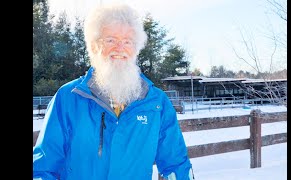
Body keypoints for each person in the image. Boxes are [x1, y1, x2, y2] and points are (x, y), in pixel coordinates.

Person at [33, 3, 194, 180]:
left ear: (136, 48)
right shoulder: (68, 98)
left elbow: (176, 165)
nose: (120, 48)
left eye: (127, 41)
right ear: (94, 46)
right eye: (110, 40)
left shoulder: (156, 103)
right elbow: (44, 168)